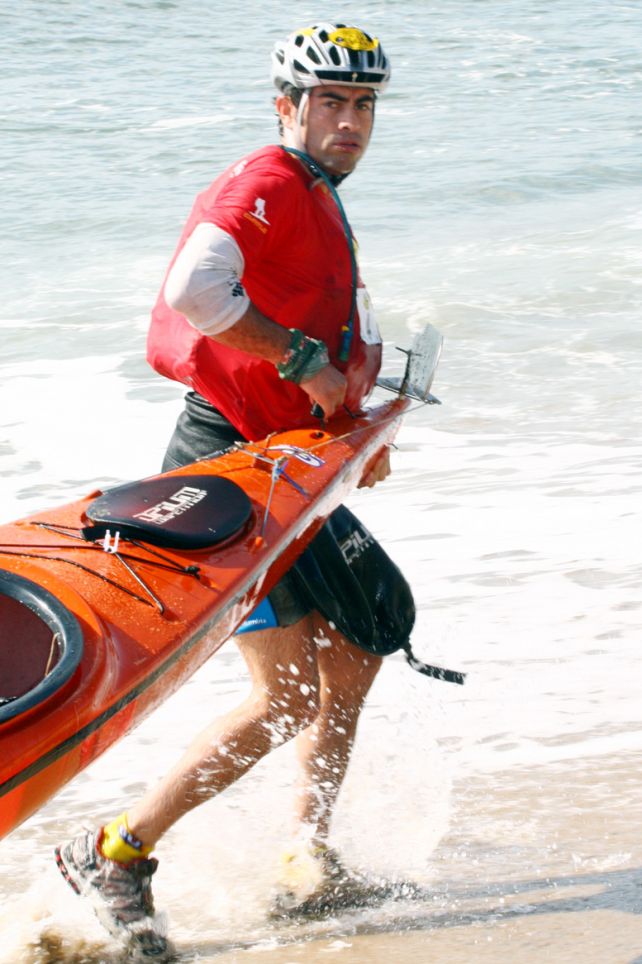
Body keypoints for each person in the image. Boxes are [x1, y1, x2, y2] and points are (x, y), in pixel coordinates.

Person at [55, 23, 407, 960]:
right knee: (287, 694)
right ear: (286, 107)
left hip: (291, 457)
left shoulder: (318, 197)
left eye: (363, 105)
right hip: (229, 468)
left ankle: (307, 853)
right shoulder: (266, 184)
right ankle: (114, 852)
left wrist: (353, 434)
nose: (348, 122)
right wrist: (296, 358)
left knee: (357, 648)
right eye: (329, 102)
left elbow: (338, 329)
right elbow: (194, 288)